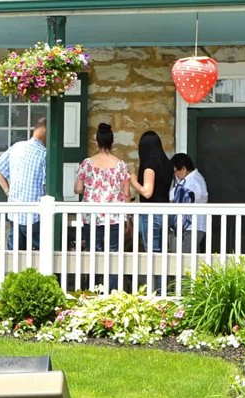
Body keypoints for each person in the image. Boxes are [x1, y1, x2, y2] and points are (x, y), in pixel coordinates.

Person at [74, 123, 131, 289]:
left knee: (94, 252)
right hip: (114, 216)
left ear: (96, 142)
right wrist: (128, 218)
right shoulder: (121, 165)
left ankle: (94, 289)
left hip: (92, 216)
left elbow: (78, 188)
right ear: (112, 143)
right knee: (114, 254)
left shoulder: (86, 164)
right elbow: (126, 194)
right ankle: (113, 291)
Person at [0, 116, 47, 249]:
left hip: (15, 212)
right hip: (35, 215)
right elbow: (47, 186)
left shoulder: (17, 147)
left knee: (15, 257)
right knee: (42, 257)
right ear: (45, 132)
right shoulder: (44, 154)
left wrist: (8, 191)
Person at [132, 130, 174, 252]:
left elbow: (147, 192)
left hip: (152, 213)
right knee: (163, 250)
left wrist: (133, 180)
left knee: (152, 251)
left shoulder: (149, 165)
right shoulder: (167, 163)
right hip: (166, 211)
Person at [170, 152, 209, 251]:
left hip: (190, 227)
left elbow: (174, 196)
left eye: (176, 171)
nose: (175, 175)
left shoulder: (192, 182)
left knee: (184, 259)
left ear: (183, 169)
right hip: (192, 227)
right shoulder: (195, 179)